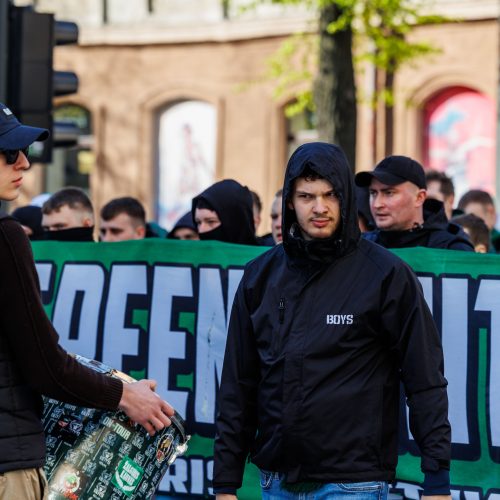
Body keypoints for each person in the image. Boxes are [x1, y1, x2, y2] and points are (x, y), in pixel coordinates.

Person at [213, 142, 451, 500]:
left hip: (353, 483)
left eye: (330, 195)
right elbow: (238, 384)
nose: (320, 208)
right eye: (307, 196)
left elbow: (425, 379)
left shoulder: (386, 274)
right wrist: (225, 484)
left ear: (346, 199)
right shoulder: (259, 277)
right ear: (290, 201)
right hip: (275, 482)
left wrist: (437, 481)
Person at [0, 103, 174, 499]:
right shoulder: (6, 236)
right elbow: (44, 364)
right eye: (10, 152)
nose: (24, 162)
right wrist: (125, 395)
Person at [355, 155, 473, 251]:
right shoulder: (360, 247)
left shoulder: (452, 249)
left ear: (419, 197)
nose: (377, 204)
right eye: (373, 193)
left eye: (389, 193)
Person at [192, 179, 258, 245]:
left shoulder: (264, 253)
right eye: (198, 222)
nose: (201, 230)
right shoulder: (196, 254)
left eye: (211, 221)